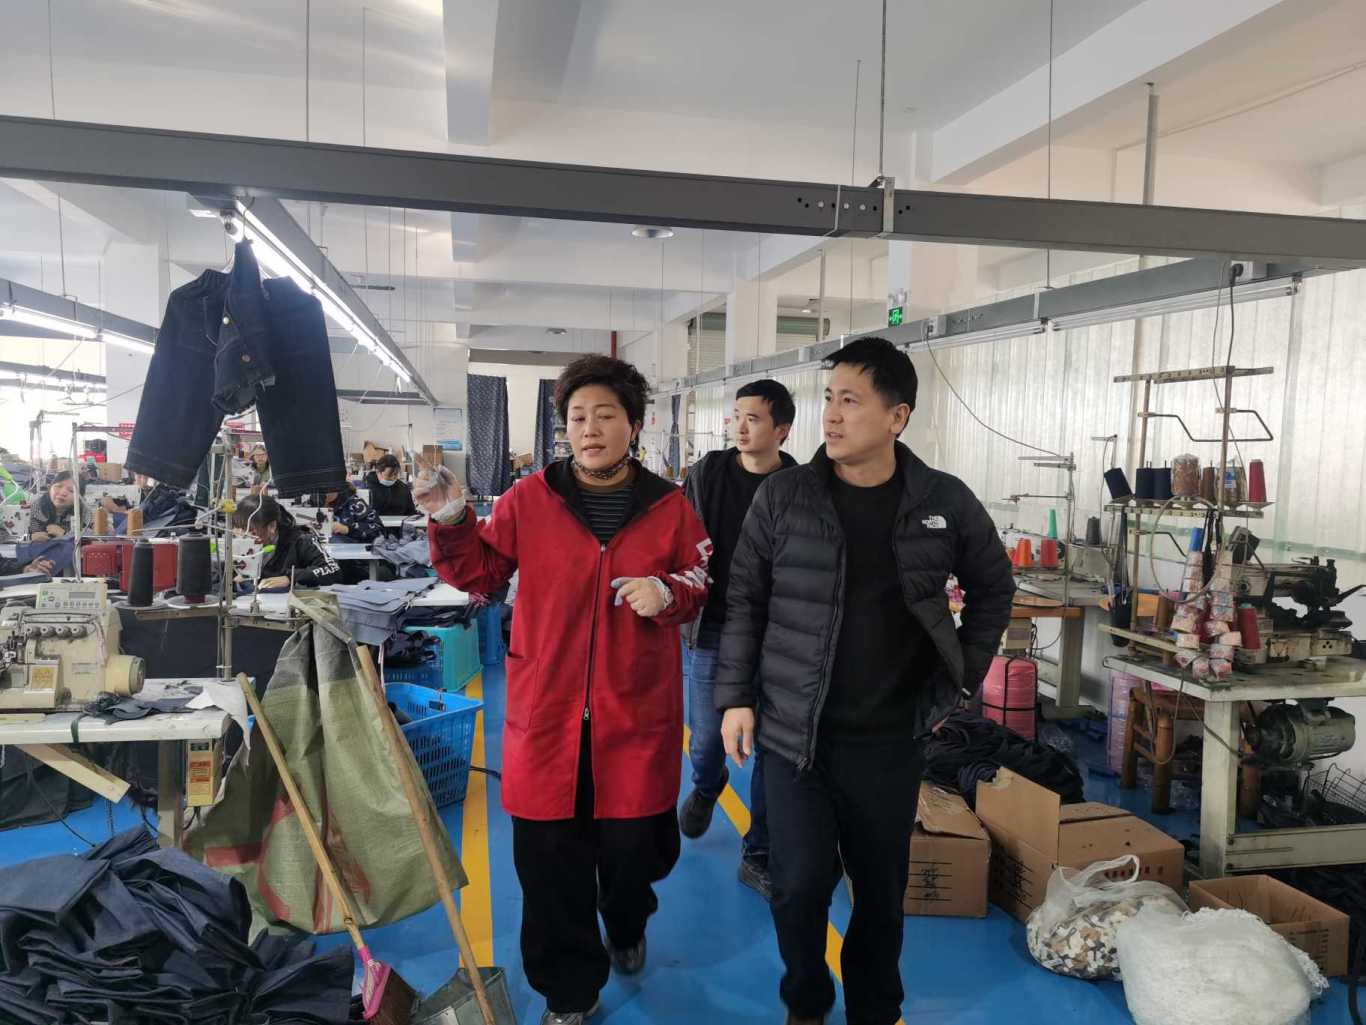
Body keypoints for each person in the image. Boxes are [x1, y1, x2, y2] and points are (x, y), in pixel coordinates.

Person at [715, 337, 1014, 1025]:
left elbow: (994, 585)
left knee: (880, 893)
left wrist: (961, 678)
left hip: (890, 737)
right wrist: (734, 697)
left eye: (850, 400)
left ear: (897, 416)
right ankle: (806, 1003)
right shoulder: (785, 497)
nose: (832, 414)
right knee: (797, 885)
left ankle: (875, 1010)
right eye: (829, 398)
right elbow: (745, 600)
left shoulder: (942, 501)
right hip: (795, 736)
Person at [414, 354, 712, 1025]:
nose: (590, 429)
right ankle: (569, 992)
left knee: (637, 851)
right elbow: (483, 575)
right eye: (577, 417)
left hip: (634, 713)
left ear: (634, 425)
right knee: (549, 865)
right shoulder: (529, 499)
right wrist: (455, 518)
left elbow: (701, 578)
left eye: (605, 415)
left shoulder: (670, 507)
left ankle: (627, 917)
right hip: (546, 713)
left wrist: (667, 590)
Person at [679, 379, 798, 901]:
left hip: (779, 635)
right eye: (736, 416)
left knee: (774, 749)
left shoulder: (800, 485)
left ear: (782, 430)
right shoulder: (708, 474)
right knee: (707, 739)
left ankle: (759, 853)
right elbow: (678, 537)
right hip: (715, 626)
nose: (740, 427)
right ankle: (708, 784)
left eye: (753, 418)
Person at [232, 494, 342, 591]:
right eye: (238, 529)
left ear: (272, 526)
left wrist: (291, 578)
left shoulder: (300, 540)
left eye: (251, 530)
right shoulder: (234, 544)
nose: (243, 536)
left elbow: (333, 570)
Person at [318, 482, 384, 543]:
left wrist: (347, 529)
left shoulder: (355, 503)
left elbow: (377, 530)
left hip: (349, 548)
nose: (324, 494)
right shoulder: (314, 502)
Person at [29, 471, 77, 540]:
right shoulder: (37, 508)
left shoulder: (83, 510)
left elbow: (90, 536)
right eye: (58, 486)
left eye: (71, 490)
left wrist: (65, 534)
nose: (62, 493)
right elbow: (19, 536)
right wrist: (30, 537)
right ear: (50, 488)